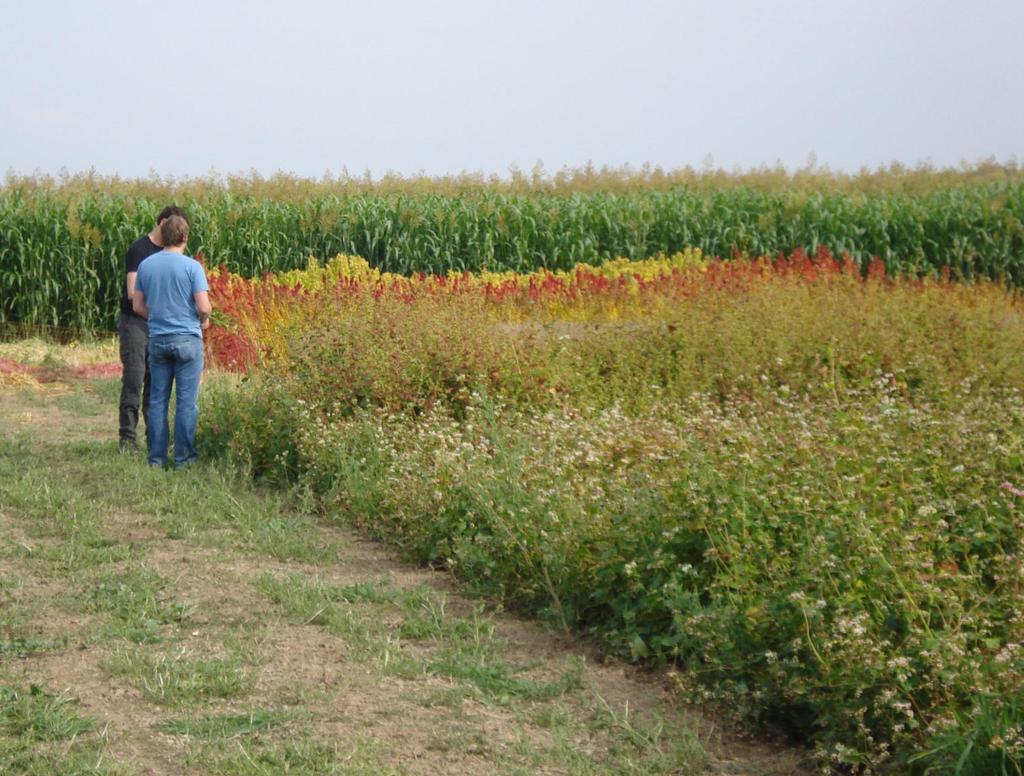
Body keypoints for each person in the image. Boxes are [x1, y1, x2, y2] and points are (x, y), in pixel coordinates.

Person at [132, 215, 212, 469]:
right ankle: (184, 459)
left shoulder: (146, 266)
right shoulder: (192, 267)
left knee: (157, 400)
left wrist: (156, 317)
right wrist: (204, 318)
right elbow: (203, 305)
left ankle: (156, 459)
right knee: (186, 403)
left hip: (157, 339)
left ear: (163, 236)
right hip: (188, 339)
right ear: (185, 238)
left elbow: (137, 305)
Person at [118, 205, 190, 454]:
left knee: (156, 381)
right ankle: (127, 439)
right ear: (162, 222)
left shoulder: (171, 252)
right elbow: (132, 293)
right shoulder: (140, 250)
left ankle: (154, 438)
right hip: (136, 322)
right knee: (134, 378)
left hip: (159, 323)